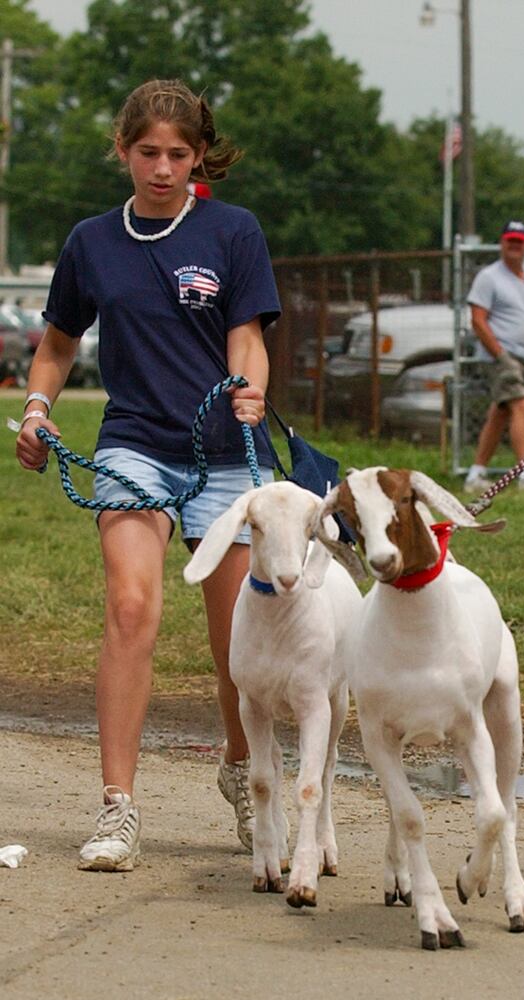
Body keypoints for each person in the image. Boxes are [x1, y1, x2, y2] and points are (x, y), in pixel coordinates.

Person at [15, 80, 282, 872]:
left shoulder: (233, 232)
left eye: (178, 154)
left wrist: (250, 385)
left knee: (238, 641)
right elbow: (57, 346)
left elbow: (247, 337)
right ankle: (118, 806)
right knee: (131, 605)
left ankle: (243, 770)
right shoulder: (92, 242)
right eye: (147, 153)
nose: (161, 169)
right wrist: (36, 409)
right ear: (124, 151)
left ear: (201, 157)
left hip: (225, 455)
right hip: (134, 444)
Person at [463, 220, 524, 493]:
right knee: (522, 406)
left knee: (501, 412)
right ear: (502, 243)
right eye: (510, 241)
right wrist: (500, 355)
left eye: (520, 241)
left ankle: (475, 474)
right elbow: (478, 320)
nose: (515, 246)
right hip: (501, 355)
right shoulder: (489, 277)